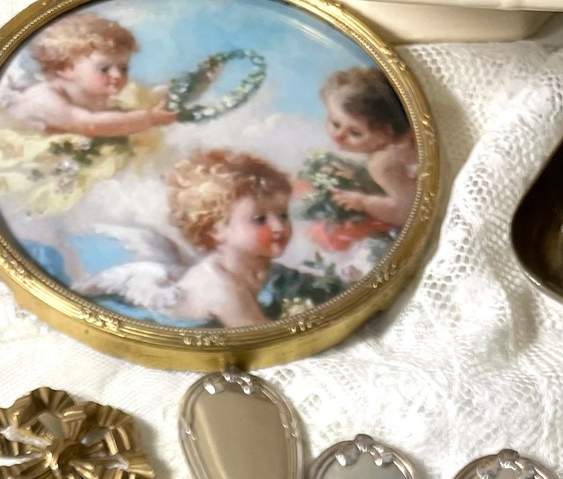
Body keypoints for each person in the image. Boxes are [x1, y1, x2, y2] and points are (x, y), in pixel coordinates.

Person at [0, 13, 175, 220]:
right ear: (65, 68)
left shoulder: (94, 91)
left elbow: (110, 114)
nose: (117, 75)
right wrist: (149, 118)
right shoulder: (46, 98)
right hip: (26, 145)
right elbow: (90, 124)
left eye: (123, 67)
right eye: (104, 68)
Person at [161, 147, 292, 327]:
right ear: (215, 229)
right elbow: (263, 334)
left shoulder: (267, 271)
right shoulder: (217, 286)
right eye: (260, 219)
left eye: (283, 215)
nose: (278, 227)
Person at [311, 66, 416, 233]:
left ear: (386, 133)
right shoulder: (397, 146)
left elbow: (407, 211)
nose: (338, 136)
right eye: (335, 124)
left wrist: (363, 202)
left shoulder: (383, 164)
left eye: (355, 133)